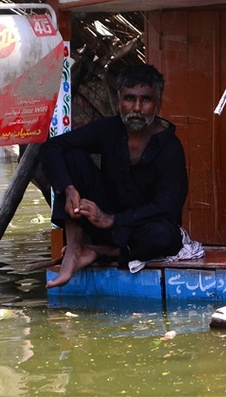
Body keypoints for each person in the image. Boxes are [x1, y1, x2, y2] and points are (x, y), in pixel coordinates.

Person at [39, 63, 187, 288]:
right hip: (103, 221)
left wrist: (112, 220)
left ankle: (100, 251)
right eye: (129, 99)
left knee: (166, 236)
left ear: (158, 104)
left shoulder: (169, 146)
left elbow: (167, 208)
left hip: (139, 231)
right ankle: (76, 245)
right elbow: (52, 148)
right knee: (72, 156)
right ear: (119, 100)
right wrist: (68, 188)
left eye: (145, 100)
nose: (136, 108)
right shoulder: (109, 129)